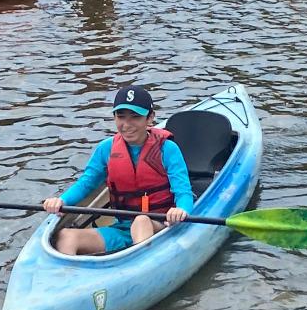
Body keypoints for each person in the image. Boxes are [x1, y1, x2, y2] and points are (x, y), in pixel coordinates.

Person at [41, 85, 193, 255]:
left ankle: (139, 266)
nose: (126, 125)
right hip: (122, 228)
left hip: (162, 224)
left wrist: (182, 210)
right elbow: (86, 183)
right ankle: (67, 277)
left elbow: (183, 191)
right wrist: (61, 201)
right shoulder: (106, 149)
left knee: (141, 220)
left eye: (135, 117)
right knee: (66, 236)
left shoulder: (168, 149)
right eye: (120, 117)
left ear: (150, 118)